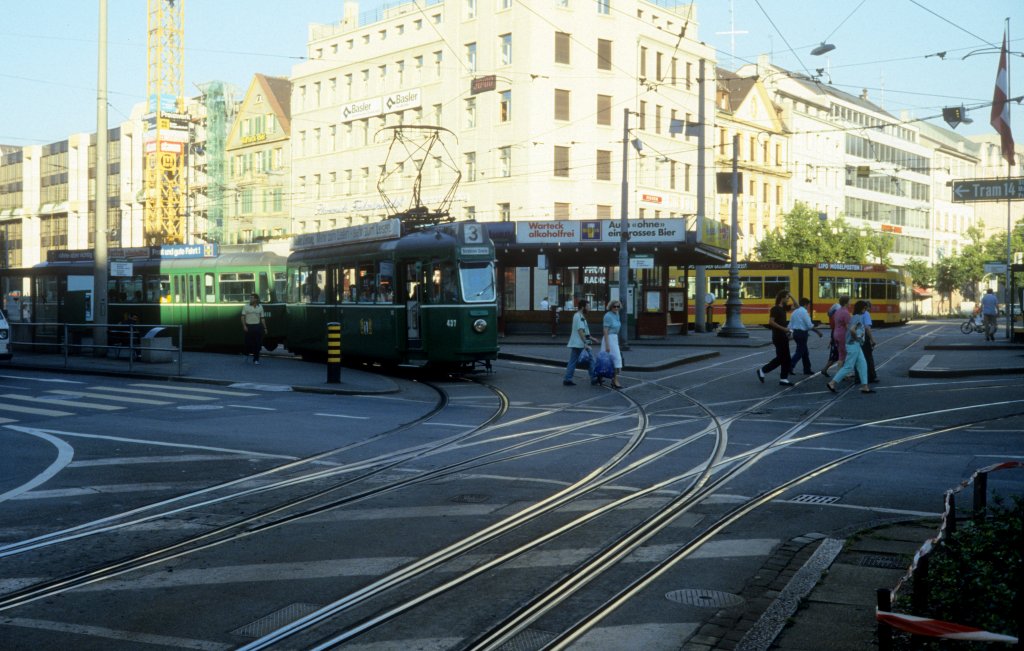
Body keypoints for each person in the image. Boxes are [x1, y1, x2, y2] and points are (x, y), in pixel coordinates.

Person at [826, 300, 874, 395]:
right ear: (862, 308)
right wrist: (856, 338)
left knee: (863, 364)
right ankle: (832, 383)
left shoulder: (855, 317)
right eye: (865, 308)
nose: (866, 309)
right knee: (848, 366)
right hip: (853, 345)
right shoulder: (858, 318)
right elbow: (852, 330)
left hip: (855, 345)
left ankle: (865, 386)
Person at [757, 289, 795, 386]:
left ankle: (782, 378)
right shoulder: (775, 309)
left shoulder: (784, 308)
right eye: (787, 297)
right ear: (781, 298)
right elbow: (771, 322)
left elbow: (798, 306)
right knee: (783, 358)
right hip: (778, 336)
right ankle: (764, 370)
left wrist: (791, 296)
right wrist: (784, 329)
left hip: (783, 336)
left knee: (784, 358)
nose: (788, 299)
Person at [563, 300, 596, 386]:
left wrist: (592, 338)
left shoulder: (578, 316)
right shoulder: (580, 316)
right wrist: (585, 343)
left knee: (573, 361)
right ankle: (594, 378)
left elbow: (584, 331)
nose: (589, 308)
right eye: (588, 306)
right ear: (583, 307)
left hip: (576, 343)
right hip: (580, 343)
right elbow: (580, 331)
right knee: (591, 360)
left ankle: (567, 379)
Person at [788, 296, 822, 374]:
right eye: (808, 305)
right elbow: (809, 325)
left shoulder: (794, 312)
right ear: (806, 304)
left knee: (804, 351)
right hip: (802, 334)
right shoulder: (804, 312)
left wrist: (789, 333)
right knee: (800, 351)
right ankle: (790, 366)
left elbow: (790, 324)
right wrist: (818, 332)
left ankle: (807, 369)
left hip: (796, 333)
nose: (809, 307)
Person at [821, 296, 850, 378]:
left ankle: (839, 372)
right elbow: (847, 326)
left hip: (835, 333)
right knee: (839, 355)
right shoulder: (841, 312)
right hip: (840, 335)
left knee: (837, 354)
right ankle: (840, 373)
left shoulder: (834, 313)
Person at [601, 300, 625, 389]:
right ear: (610, 307)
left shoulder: (617, 314)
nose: (616, 308)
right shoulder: (608, 316)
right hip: (609, 339)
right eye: (614, 306)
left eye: (618, 306)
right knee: (616, 359)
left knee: (610, 360)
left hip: (614, 338)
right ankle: (615, 380)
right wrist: (607, 345)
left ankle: (602, 377)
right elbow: (605, 331)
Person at [241, 293, 268, 364]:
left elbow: (262, 318)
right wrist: (244, 326)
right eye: (250, 298)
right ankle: (246, 355)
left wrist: (265, 328)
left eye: (252, 298)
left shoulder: (260, 307)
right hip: (249, 326)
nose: (250, 299)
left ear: (256, 299)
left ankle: (256, 359)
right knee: (248, 343)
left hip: (257, 326)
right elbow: (243, 317)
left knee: (258, 344)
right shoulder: (246, 307)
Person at [861, 301, 879, 383]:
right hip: (865, 337)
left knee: (860, 359)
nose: (870, 309)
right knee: (868, 358)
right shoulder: (866, 314)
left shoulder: (857, 314)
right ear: (867, 307)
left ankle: (859, 377)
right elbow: (867, 327)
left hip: (859, 338)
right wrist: (872, 339)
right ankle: (871, 376)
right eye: (869, 307)